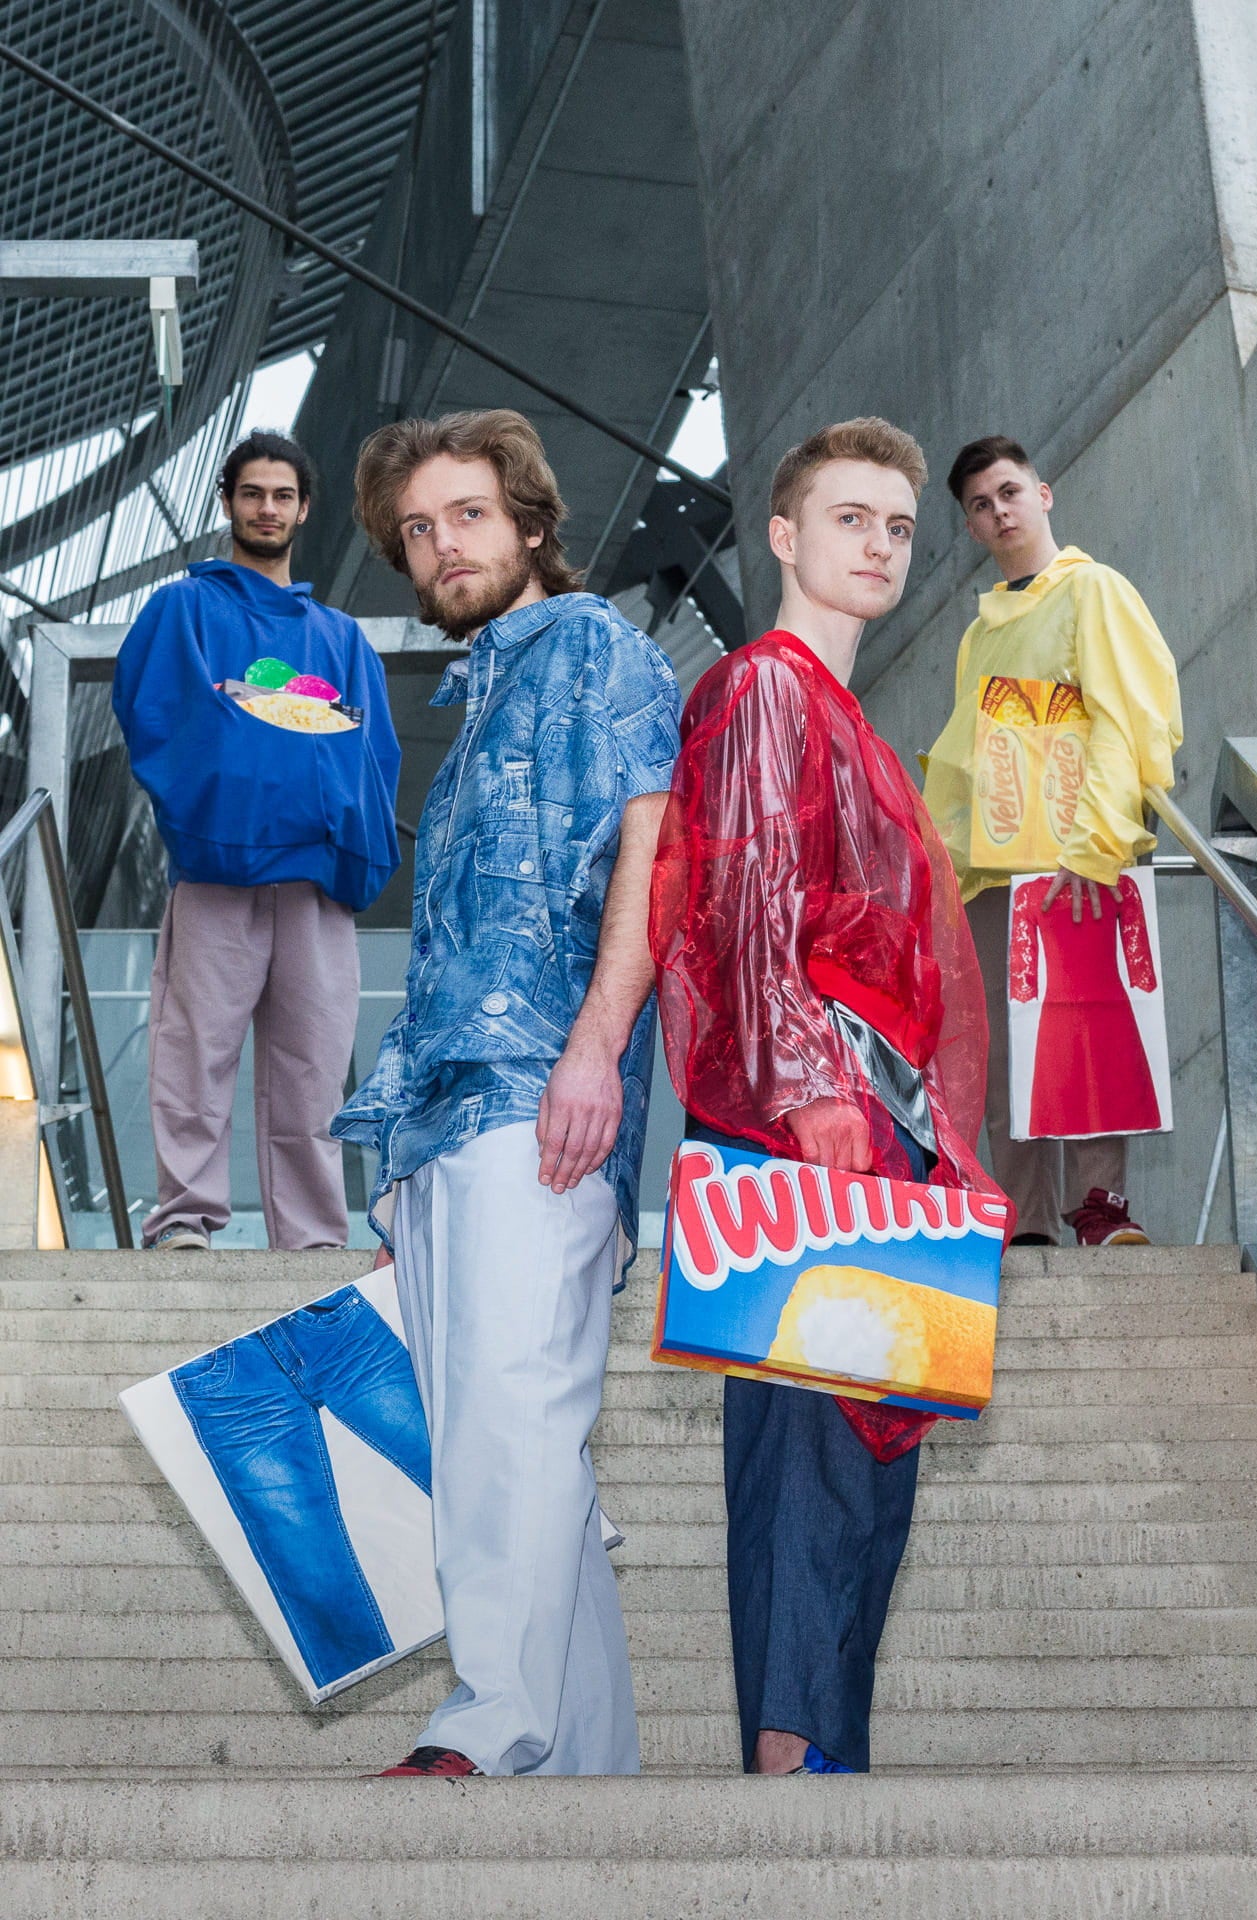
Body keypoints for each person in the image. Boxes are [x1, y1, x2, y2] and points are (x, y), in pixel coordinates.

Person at [332, 408, 681, 1779]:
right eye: (417, 529)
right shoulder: (472, 704)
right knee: (520, 1431)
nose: (440, 544)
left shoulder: (593, 647)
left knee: (513, 1425)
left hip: (540, 1097)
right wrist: (397, 1165)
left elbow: (651, 842)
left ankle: (489, 1723)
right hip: (446, 1124)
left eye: (467, 514)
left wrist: (599, 1046)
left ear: (531, 524)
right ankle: (590, 1766)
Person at [649, 418, 1000, 1776]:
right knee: (805, 1452)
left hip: (885, 1117)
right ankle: (793, 1775)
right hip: (813, 1109)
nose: (882, 545)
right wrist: (806, 1087)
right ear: (783, 537)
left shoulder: (848, 718)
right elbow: (740, 896)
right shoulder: (762, 687)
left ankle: (831, 1756)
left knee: (868, 1463)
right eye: (852, 518)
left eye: (902, 527)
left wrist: (928, 1139)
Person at [113, 430, 400, 1253]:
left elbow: (375, 757)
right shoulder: (183, 608)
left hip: (316, 882)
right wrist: (222, 810)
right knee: (193, 1053)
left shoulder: (341, 637)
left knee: (313, 1071)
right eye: (252, 494)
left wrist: (352, 846)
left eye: (282, 495)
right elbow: (153, 713)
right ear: (229, 502)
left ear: (303, 510)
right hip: (215, 874)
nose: (267, 508)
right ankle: (184, 1221)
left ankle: (311, 1240)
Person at [922, 435, 1183, 1247]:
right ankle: (1024, 1222)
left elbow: (1125, 714)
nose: (998, 511)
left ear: (1044, 493)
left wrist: (1094, 843)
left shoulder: (1092, 591)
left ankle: (1100, 1208)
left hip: (1077, 857)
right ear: (970, 526)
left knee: (1090, 1030)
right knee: (1004, 1050)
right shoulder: (978, 635)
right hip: (994, 875)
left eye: (1008, 491)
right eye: (979, 504)